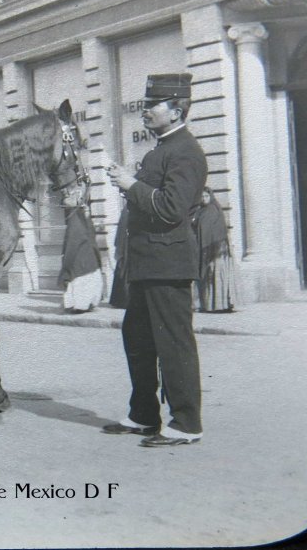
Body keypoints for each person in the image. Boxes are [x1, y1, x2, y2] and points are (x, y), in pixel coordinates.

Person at [103, 73, 208, 447]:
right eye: (146, 105)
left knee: (173, 342)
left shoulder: (185, 152)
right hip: (149, 263)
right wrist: (132, 182)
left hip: (168, 263)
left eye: (153, 106)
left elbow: (170, 208)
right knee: (137, 335)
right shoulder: (161, 149)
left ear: (177, 110)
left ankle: (185, 423)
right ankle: (143, 415)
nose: (145, 112)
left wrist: (132, 185)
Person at [58, 188, 104, 314]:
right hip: (85, 254)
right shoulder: (78, 216)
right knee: (85, 278)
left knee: (83, 278)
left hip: (83, 254)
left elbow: (75, 239)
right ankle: (84, 303)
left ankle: (81, 304)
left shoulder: (77, 217)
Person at [193, 186, 237, 313]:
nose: (204, 199)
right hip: (205, 250)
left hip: (216, 251)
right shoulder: (200, 211)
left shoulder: (214, 209)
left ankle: (219, 305)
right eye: (202, 197)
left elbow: (217, 230)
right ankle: (208, 305)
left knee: (216, 278)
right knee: (208, 279)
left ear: (210, 196)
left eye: (206, 196)